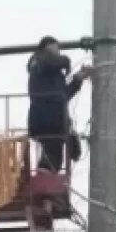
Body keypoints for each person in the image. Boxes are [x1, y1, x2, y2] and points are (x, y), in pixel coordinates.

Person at [26, 36, 91, 173]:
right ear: (47, 46)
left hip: (51, 117)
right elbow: (48, 62)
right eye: (56, 48)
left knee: (57, 149)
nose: (58, 51)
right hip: (47, 117)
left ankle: (47, 168)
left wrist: (77, 79)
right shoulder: (38, 60)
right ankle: (46, 167)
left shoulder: (51, 73)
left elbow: (63, 95)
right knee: (55, 149)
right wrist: (65, 61)